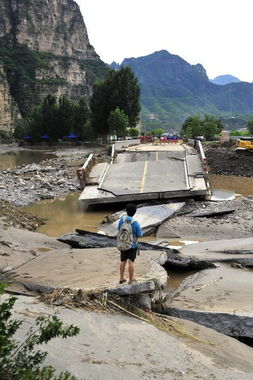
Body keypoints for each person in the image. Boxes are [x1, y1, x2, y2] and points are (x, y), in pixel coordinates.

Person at [118, 203, 142, 284]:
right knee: (131, 262)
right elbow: (139, 234)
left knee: (123, 261)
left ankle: (121, 278)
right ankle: (130, 280)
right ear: (134, 212)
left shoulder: (122, 220)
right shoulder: (135, 223)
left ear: (126, 211)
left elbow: (119, 229)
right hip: (132, 245)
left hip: (123, 243)